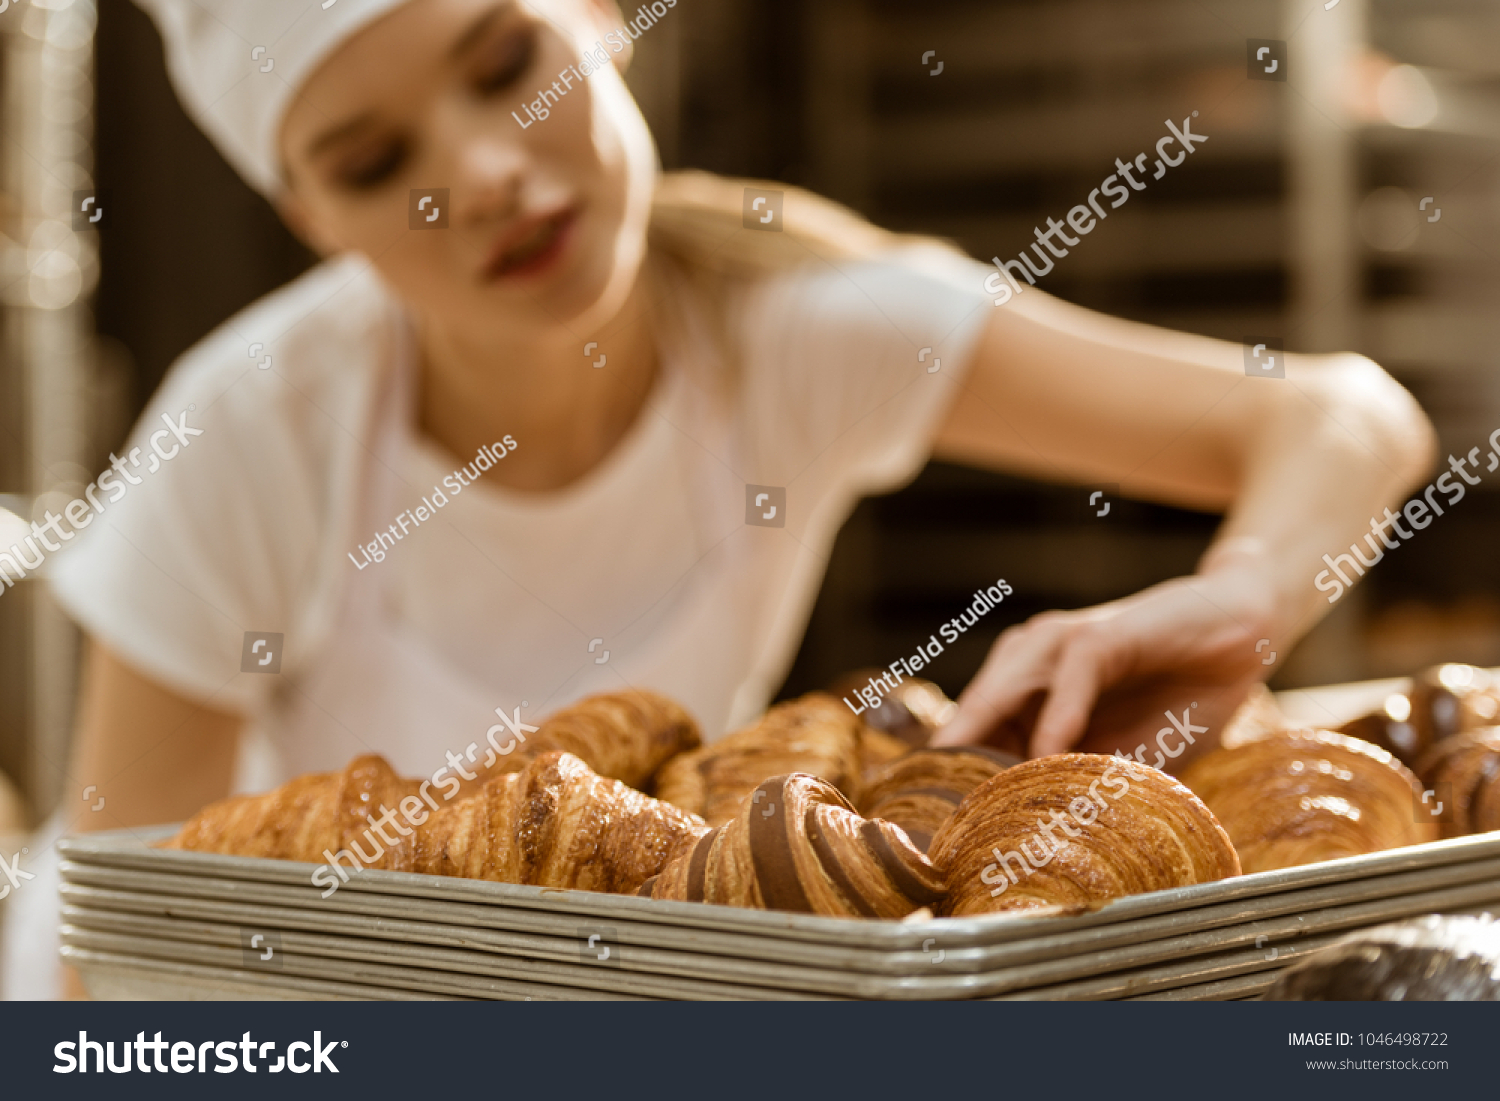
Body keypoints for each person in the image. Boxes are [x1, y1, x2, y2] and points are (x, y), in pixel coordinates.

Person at [3, 0, 1433, 998]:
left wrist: (1242, 599)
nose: (486, 173)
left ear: (602, 15)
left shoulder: (789, 334)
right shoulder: (252, 432)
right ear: (314, 217)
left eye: (507, 66)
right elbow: (121, 923)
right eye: (378, 165)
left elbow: (1342, 413)